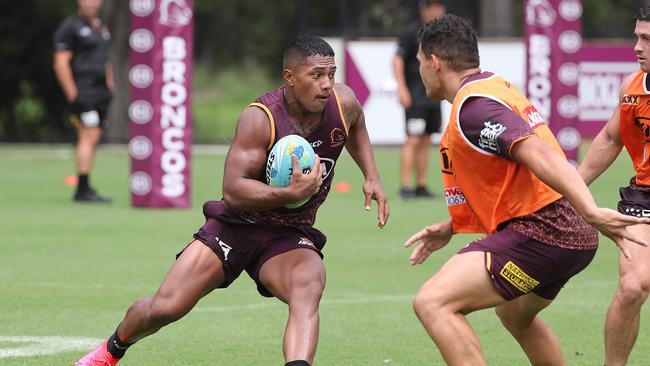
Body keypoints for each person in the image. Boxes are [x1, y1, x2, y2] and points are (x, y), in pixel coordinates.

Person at [73, 35, 389, 366]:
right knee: (165, 308)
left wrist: (372, 176)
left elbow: (357, 127)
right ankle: (111, 349)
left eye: (331, 74)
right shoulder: (261, 117)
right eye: (316, 75)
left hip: (288, 234)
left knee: (308, 286)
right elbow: (233, 190)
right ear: (290, 77)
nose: (326, 84)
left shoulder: (343, 103)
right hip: (236, 226)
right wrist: (288, 194)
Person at [403, 14, 650, 365]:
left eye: (420, 63)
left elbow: (535, 152)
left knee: (432, 301)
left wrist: (590, 209)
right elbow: (509, 176)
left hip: (545, 231)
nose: (420, 71)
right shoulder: (494, 86)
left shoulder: (473, 108)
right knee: (514, 316)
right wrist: (453, 225)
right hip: (568, 234)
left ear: (436, 63)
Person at [577, 7, 650, 365]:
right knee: (633, 286)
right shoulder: (632, 87)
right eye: (637, 36)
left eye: (647, 39)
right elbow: (610, 137)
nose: (637, 47)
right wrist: (569, 188)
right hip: (645, 201)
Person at [53, 0, 113, 203]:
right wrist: (73, 94)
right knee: (90, 133)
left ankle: (85, 186)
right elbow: (61, 62)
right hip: (84, 93)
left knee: (93, 135)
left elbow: (105, 60)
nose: (90, 3)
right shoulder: (70, 27)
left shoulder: (101, 25)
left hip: (101, 93)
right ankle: (82, 189)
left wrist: (110, 85)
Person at [393, 0, 446, 199]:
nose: (434, 10)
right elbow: (397, 59)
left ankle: (421, 185)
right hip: (415, 98)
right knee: (413, 138)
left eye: (438, 6)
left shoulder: (440, 32)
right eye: (430, 6)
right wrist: (402, 89)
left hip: (434, 96)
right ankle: (405, 186)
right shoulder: (412, 32)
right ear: (423, 8)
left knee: (426, 139)